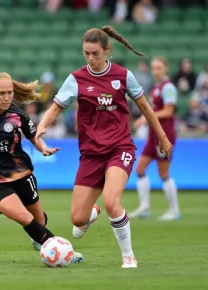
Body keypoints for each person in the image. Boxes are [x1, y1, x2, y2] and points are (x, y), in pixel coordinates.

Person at [36, 26, 173, 269]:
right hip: (90, 154)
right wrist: (42, 126)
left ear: (107, 51)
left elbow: (145, 107)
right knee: (77, 219)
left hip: (120, 148)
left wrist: (162, 136)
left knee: (112, 201)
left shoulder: (123, 76)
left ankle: (128, 255)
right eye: (86, 53)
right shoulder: (76, 79)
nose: (90, 58)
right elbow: (56, 107)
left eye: (95, 53)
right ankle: (92, 212)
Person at [0, 72, 99, 261]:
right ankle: (65, 253)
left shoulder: (17, 114)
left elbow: (32, 135)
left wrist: (42, 147)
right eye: (2, 93)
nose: (7, 97)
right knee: (24, 218)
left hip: (21, 174)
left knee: (38, 222)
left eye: (10, 92)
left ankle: (40, 234)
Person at [130, 57, 181, 221]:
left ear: (165, 68)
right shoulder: (156, 88)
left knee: (163, 173)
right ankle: (145, 208)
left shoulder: (168, 87)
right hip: (152, 136)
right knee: (140, 169)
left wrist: (146, 117)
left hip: (164, 135)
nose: (155, 71)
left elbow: (168, 112)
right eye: (154, 68)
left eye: (159, 68)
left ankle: (174, 210)